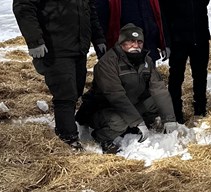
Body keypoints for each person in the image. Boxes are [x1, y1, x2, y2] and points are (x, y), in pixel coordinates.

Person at [13, 0, 104, 150]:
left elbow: (89, 9)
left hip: (78, 45)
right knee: (64, 93)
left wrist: (98, 39)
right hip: (53, 45)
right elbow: (24, 6)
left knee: (76, 89)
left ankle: (70, 128)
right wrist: (34, 41)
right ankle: (68, 139)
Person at [76, 24, 177, 153]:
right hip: (103, 109)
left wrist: (169, 119)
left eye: (139, 42)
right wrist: (137, 121)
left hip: (131, 104)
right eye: (131, 41)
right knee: (119, 121)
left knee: (156, 101)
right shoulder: (108, 63)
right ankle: (103, 137)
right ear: (121, 43)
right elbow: (116, 97)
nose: (136, 45)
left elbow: (159, 89)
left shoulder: (146, 61)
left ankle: (133, 128)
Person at [152, 0, 211, 121]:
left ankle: (200, 109)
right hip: (177, 37)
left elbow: (206, 0)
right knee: (176, 77)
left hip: (200, 35)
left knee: (200, 74)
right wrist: (165, 40)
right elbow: (159, 10)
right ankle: (176, 113)